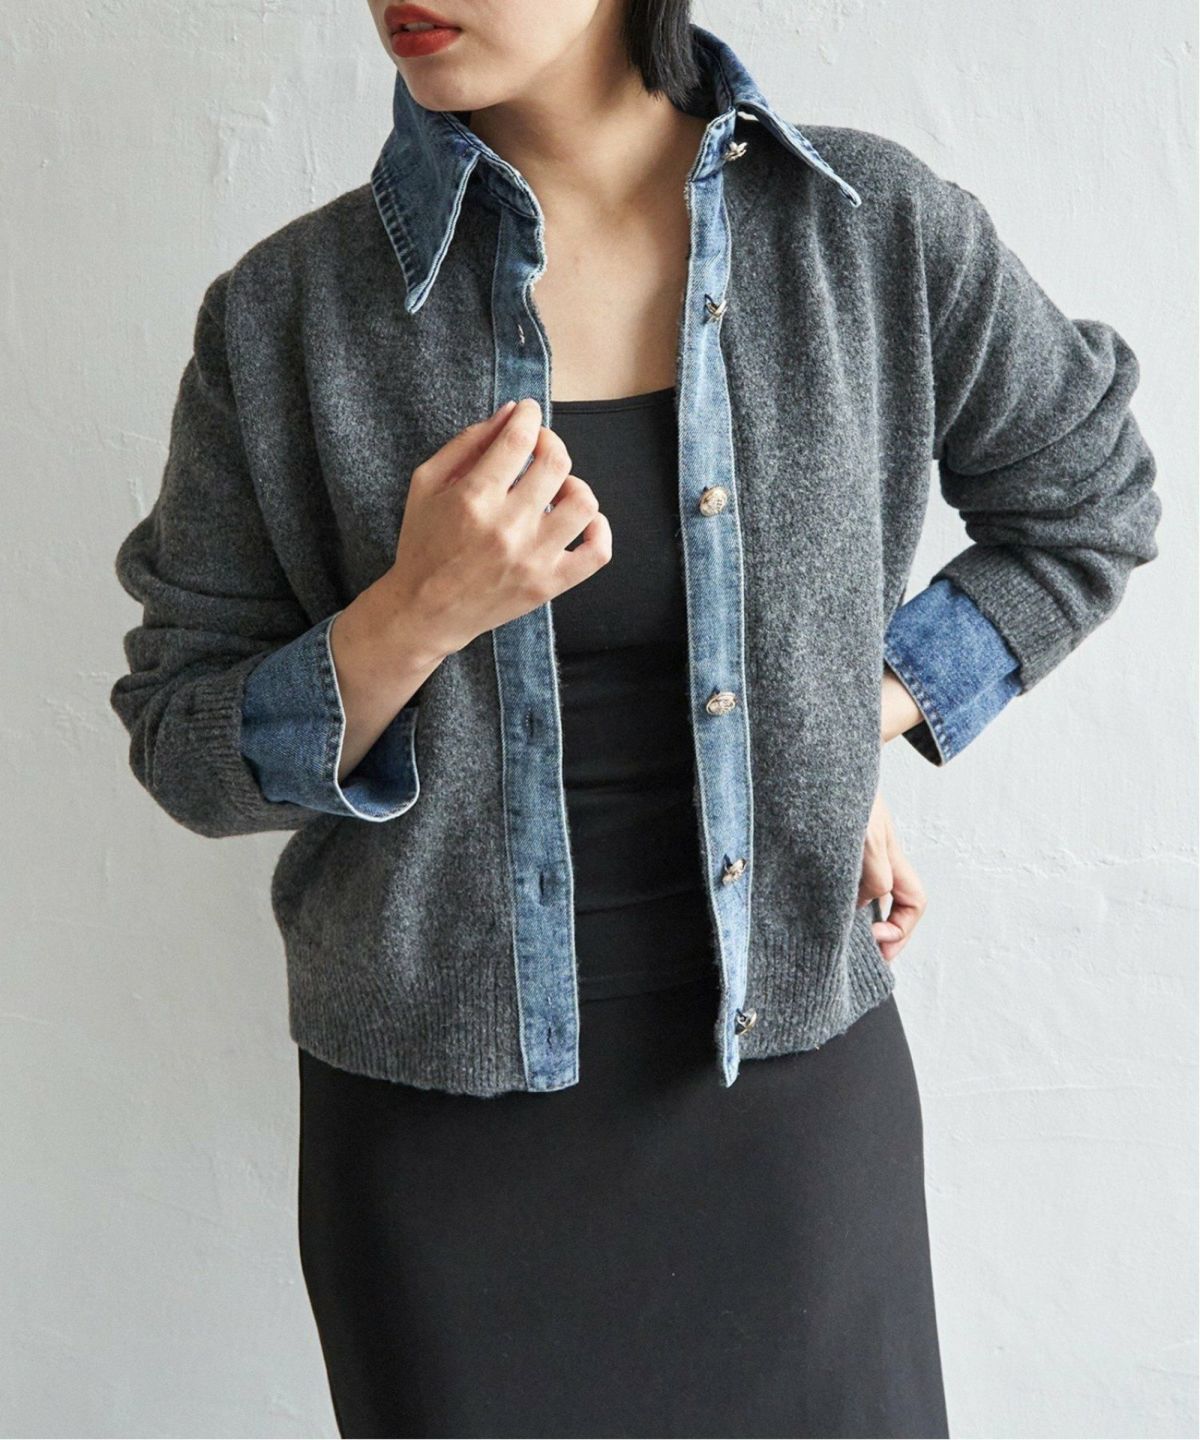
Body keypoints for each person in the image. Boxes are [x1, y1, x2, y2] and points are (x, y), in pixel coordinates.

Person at [108, 2, 1162, 1436]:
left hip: (791, 1116)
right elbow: (182, 741)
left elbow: (1088, 503)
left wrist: (833, 724)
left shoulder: (869, 231)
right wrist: (415, 609)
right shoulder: (289, 312)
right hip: (441, 1162)